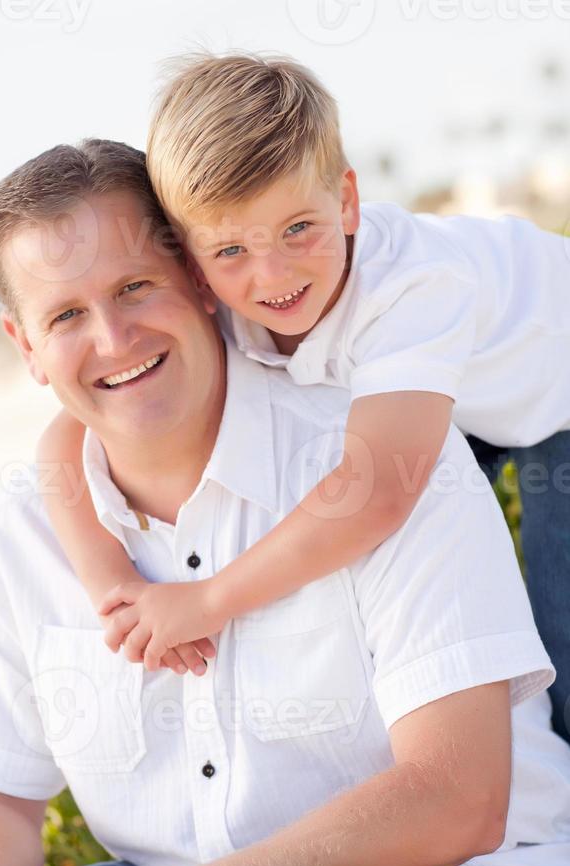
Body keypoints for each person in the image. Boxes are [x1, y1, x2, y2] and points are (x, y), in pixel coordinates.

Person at [0, 139, 570, 866]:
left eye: (132, 288)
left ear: (196, 278)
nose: (113, 338)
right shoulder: (29, 532)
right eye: (67, 317)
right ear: (25, 346)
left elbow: (458, 803)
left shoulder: (375, 461)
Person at [38, 54, 570, 748]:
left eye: (299, 230)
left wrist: (208, 600)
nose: (273, 275)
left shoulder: (412, 288)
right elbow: (66, 437)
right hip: (465, 395)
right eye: (230, 250)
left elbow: (376, 491)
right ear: (191, 259)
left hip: (554, 390)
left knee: (560, 631)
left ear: (346, 201)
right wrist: (117, 589)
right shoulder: (232, 299)